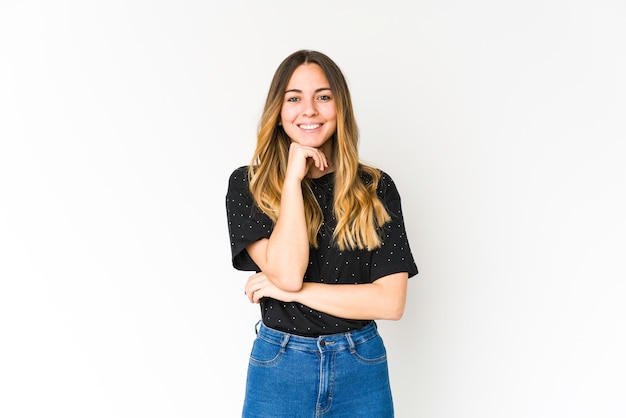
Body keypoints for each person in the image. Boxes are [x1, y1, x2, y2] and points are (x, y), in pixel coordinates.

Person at [225, 49, 418, 417]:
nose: (309, 110)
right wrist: (293, 180)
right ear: (278, 113)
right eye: (294, 98)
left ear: (340, 108)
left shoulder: (375, 187)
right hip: (281, 367)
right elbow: (288, 271)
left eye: (323, 97)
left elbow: (390, 302)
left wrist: (288, 292)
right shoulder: (249, 185)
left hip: (360, 366)